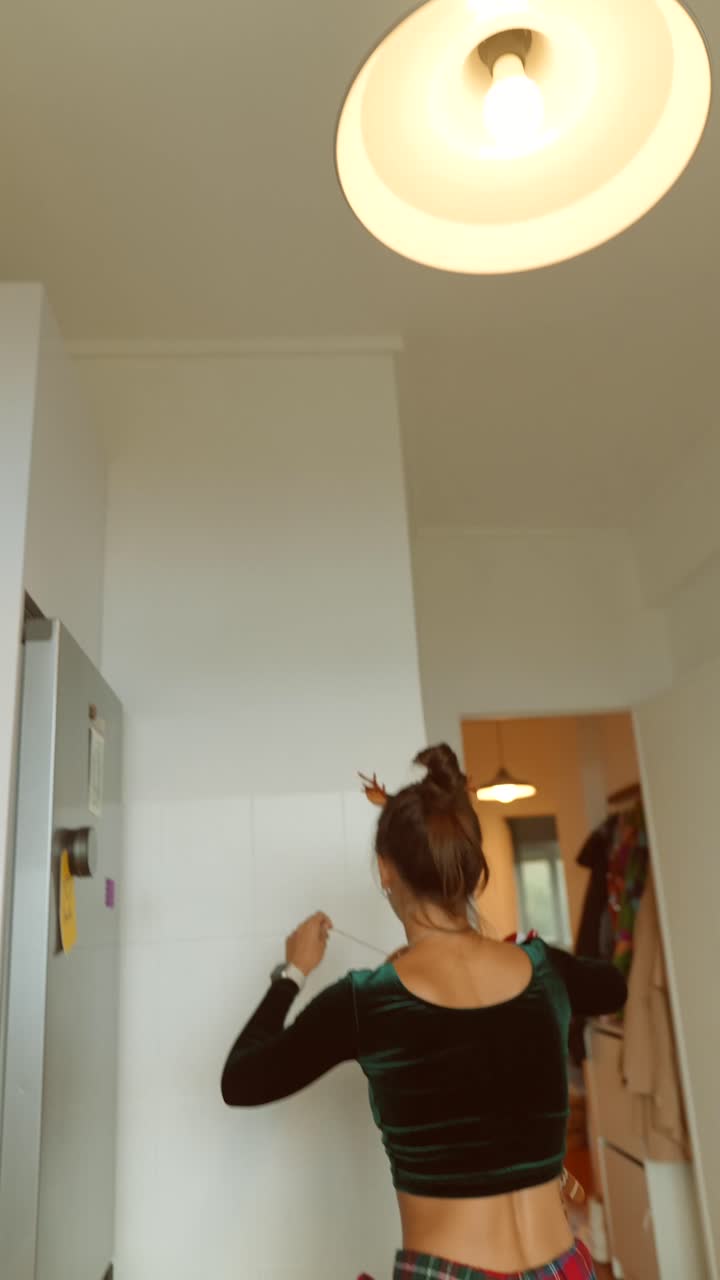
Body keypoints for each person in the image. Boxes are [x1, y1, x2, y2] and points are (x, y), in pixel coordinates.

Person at [221, 744, 627, 1280]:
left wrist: (293, 972)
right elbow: (614, 987)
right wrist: (519, 954)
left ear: (386, 871)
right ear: (474, 866)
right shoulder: (545, 970)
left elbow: (241, 1080)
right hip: (564, 1269)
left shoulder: (368, 1001)